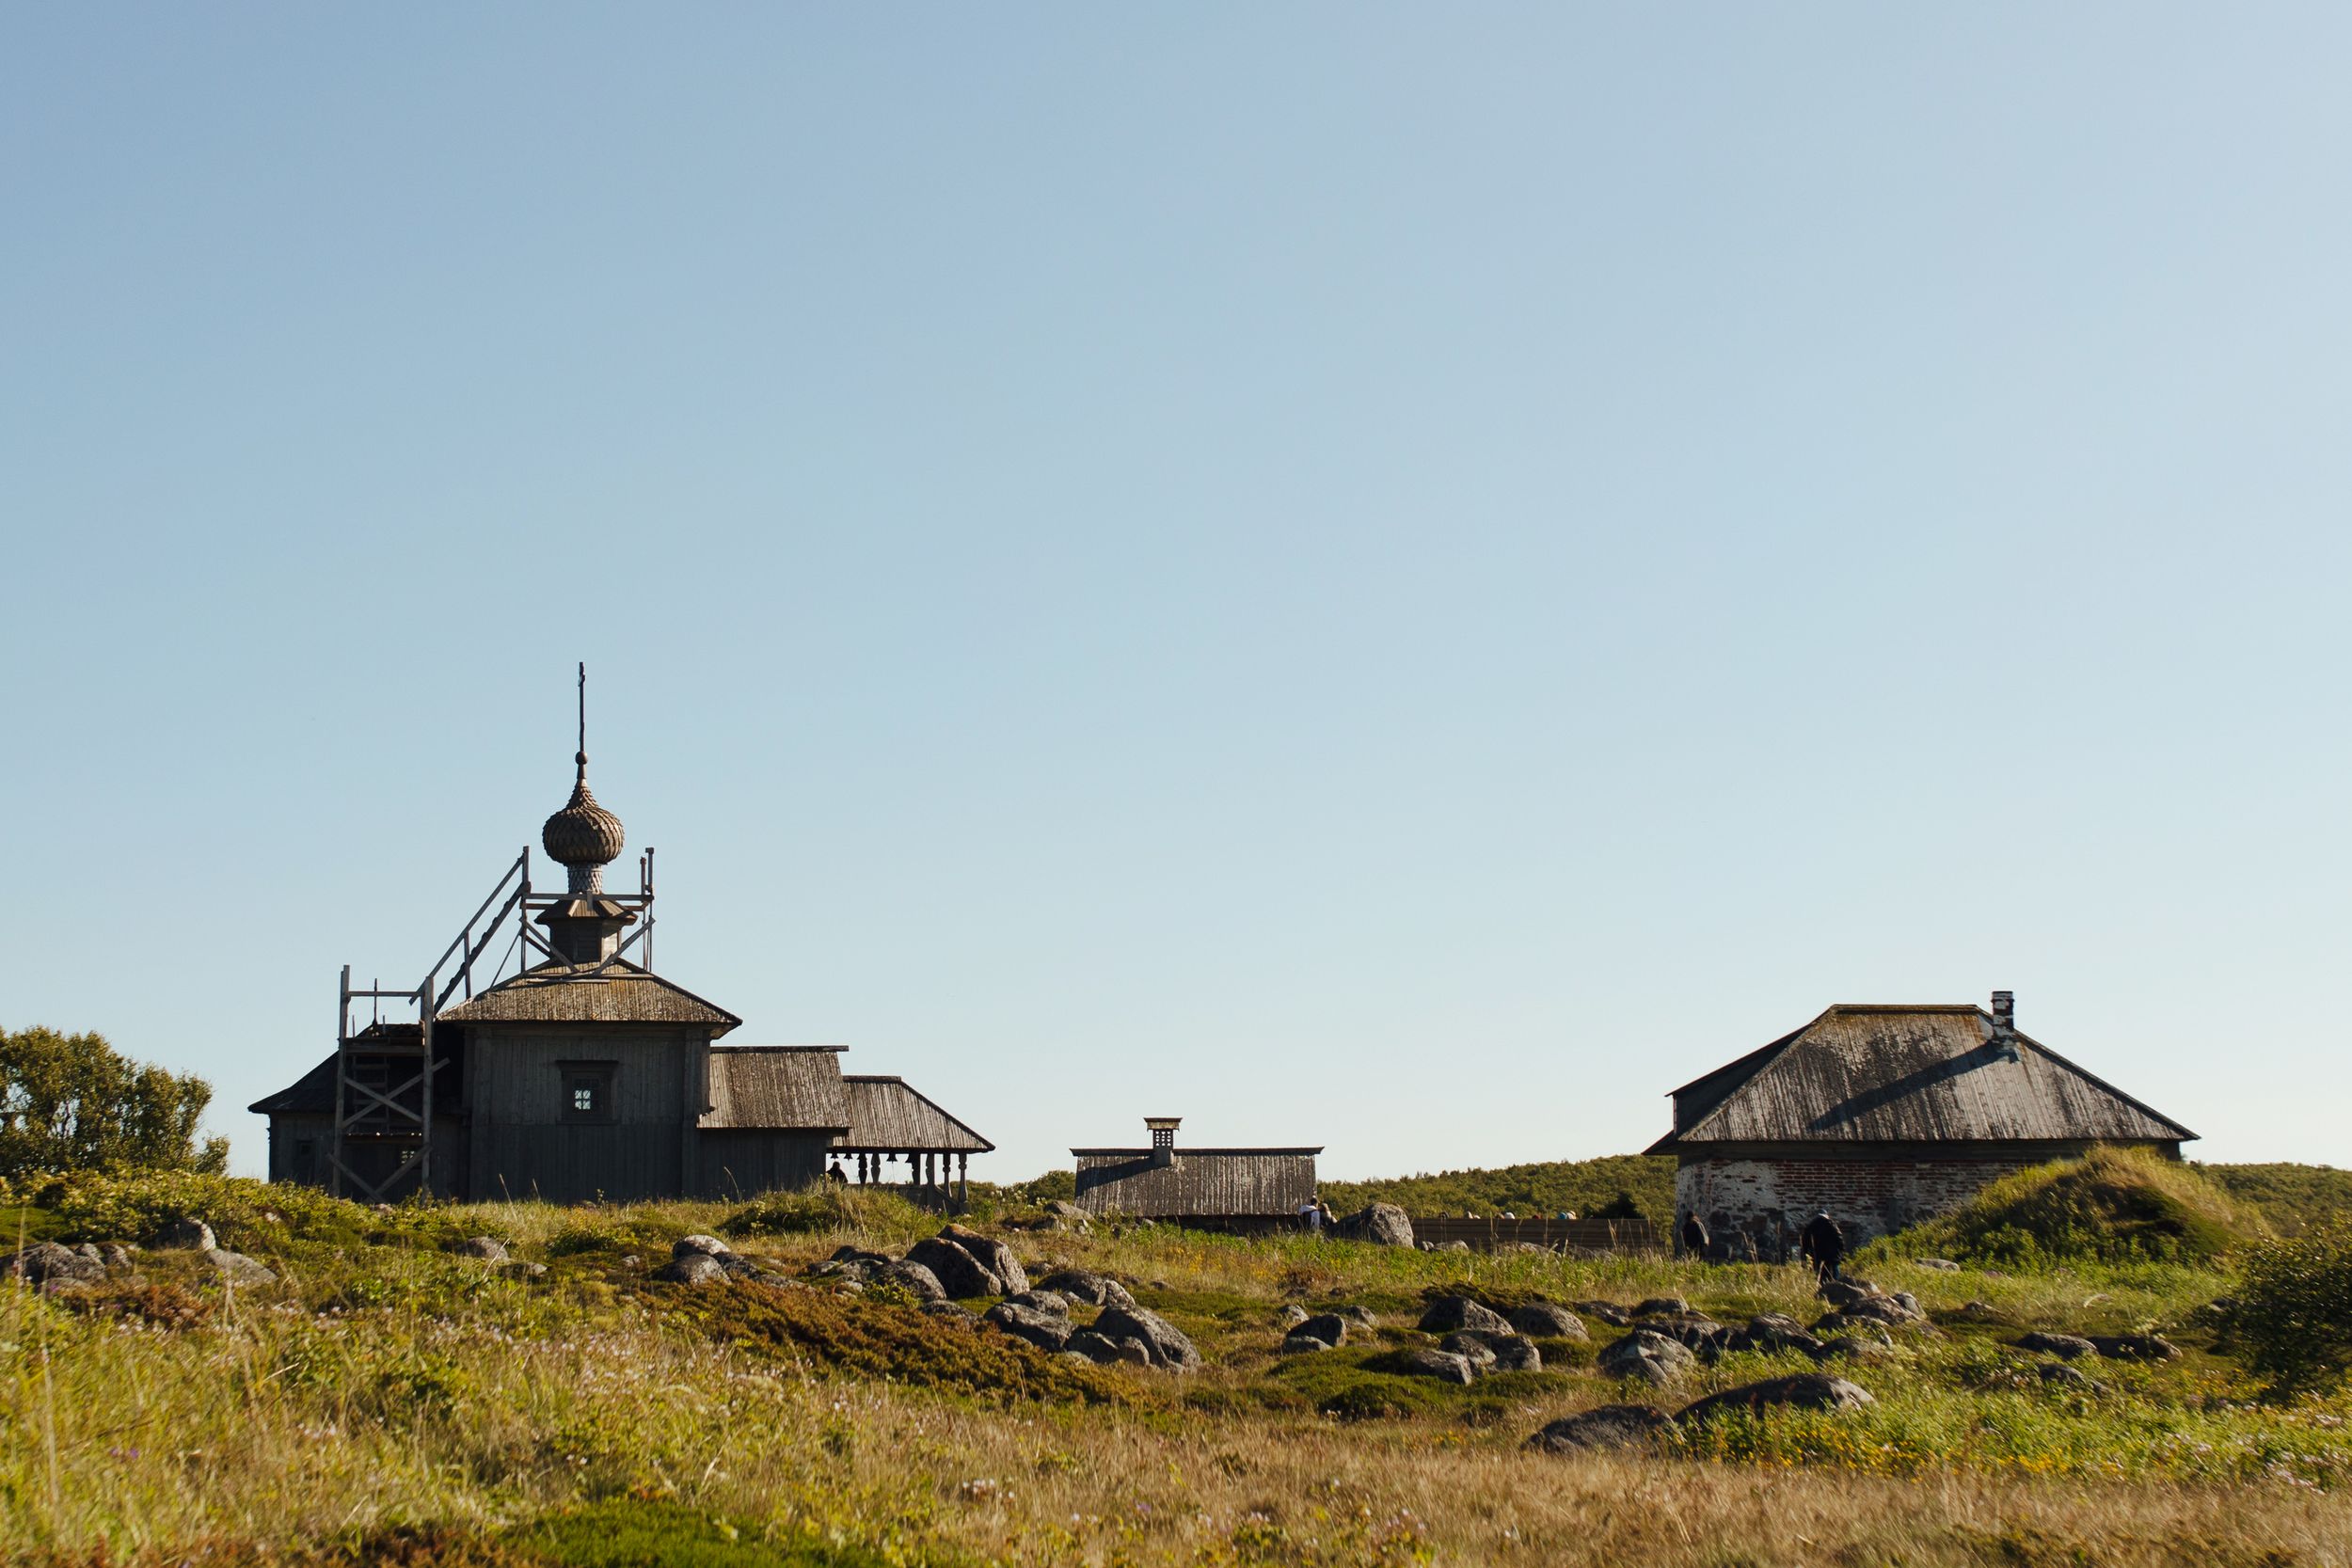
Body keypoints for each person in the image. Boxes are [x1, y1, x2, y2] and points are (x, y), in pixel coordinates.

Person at [1799, 1211, 1844, 1283]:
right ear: (1826, 1215)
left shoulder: (1810, 1226)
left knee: (1819, 1281)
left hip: (1817, 1259)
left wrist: (1803, 1259)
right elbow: (1840, 1240)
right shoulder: (1832, 1224)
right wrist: (1841, 1256)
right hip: (1832, 1258)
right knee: (1835, 1282)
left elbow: (1804, 1245)